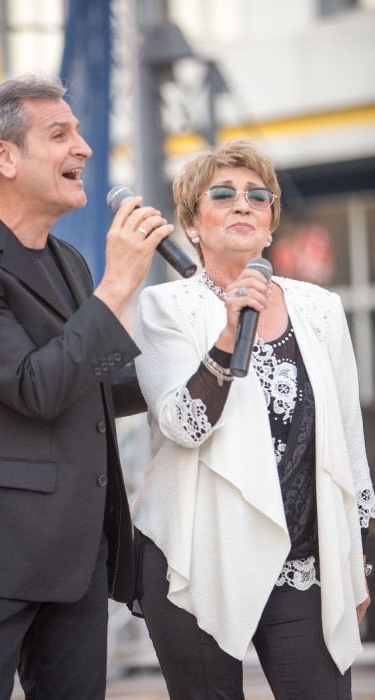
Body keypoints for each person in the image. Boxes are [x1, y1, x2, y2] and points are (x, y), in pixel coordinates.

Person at [0, 75, 173, 700]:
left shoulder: (68, 261)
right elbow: (37, 388)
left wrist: (200, 364)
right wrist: (118, 286)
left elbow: (88, 385)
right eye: (60, 134)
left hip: (75, 554)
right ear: (4, 156)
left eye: (78, 131)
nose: (83, 148)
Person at [131, 137, 375, 699]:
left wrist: (359, 554)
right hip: (195, 554)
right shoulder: (166, 307)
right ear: (192, 225)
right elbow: (183, 425)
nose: (243, 204)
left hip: (300, 561)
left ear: (270, 225)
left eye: (258, 196)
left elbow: (348, 440)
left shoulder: (320, 308)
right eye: (223, 194)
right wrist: (227, 334)